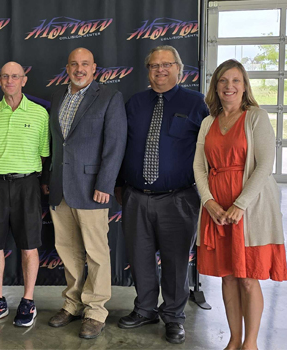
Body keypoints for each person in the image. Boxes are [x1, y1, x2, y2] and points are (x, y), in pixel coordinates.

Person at [115, 45, 208, 344]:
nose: (160, 70)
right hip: (136, 196)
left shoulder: (196, 103)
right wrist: (118, 185)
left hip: (179, 198)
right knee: (140, 258)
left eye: (167, 64)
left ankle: (173, 316)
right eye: (154, 66)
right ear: (148, 70)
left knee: (176, 261)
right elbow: (119, 145)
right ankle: (144, 309)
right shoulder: (135, 103)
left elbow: (209, 151)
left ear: (180, 69)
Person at [193, 59, 287, 350]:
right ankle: (234, 340)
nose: (228, 86)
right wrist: (208, 201)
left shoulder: (256, 117)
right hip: (216, 208)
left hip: (250, 209)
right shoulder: (208, 122)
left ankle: (251, 343)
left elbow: (264, 166)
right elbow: (198, 166)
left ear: (244, 86)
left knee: (247, 278)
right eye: (223, 81)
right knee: (228, 277)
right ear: (216, 86)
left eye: (235, 81)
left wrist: (240, 204)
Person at [43, 47, 127, 339]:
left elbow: (115, 144)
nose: (79, 69)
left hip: (93, 189)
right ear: (67, 68)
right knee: (68, 250)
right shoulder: (58, 97)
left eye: (85, 64)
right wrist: (48, 179)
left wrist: (105, 184)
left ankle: (96, 310)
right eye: (74, 64)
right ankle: (72, 303)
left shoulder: (108, 97)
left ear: (95, 68)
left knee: (96, 253)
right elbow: (56, 144)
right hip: (60, 187)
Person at [0, 61, 49, 328]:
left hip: (27, 185)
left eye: (15, 76)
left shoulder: (40, 113)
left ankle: (28, 301)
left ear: (24, 80)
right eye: (5, 76)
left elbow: (45, 153)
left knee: (29, 246)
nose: (10, 80)